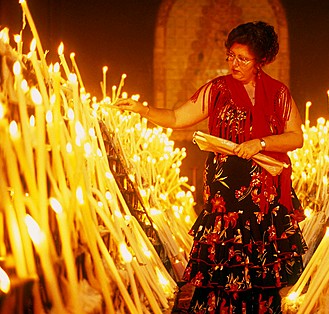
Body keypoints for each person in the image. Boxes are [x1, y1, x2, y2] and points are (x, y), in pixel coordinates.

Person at [115, 21, 307, 314]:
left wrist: (261, 143)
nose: (234, 63)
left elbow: (296, 137)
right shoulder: (218, 89)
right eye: (231, 56)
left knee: (260, 275)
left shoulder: (278, 93)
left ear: (261, 61)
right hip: (226, 193)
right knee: (221, 272)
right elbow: (178, 118)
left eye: (243, 58)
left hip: (263, 195)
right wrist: (144, 110)